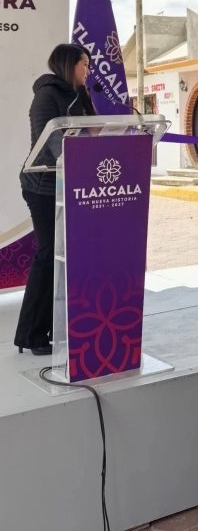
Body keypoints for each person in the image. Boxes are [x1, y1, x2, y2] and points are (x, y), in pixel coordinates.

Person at [16, 43, 95, 356]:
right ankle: (31, 334)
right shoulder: (46, 95)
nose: (88, 70)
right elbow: (50, 143)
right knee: (49, 254)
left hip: (73, 185)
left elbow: (93, 132)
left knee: (70, 256)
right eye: (84, 64)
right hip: (43, 186)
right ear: (68, 64)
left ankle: (61, 325)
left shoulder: (81, 94)